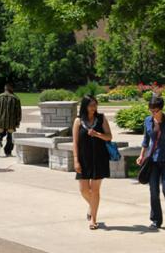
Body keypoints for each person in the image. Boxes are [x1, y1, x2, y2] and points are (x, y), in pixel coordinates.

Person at [136, 97, 165, 229]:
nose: (153, 113)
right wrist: (141, 156)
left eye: (155, 111)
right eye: (151, 110)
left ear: (161, 109)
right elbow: (145, 141)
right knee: (153, 191)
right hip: (152, 161)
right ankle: (156, 220)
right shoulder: (148, 121)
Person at [72, 96, 112, 230]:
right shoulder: (78, 121)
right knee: (83, 190)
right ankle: (92, 205)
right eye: (91, 105)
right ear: (85, 106)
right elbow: (75, 143)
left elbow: (109, 136)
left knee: (95, 190)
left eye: (95, 105)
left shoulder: (101, 118)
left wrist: (97, 134)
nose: (93, 108)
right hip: (83, 160)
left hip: (99, 158)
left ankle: (93, 219)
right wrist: (76, 160)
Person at [0, 84, 22, 157]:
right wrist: (18, 121)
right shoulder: (16, 98)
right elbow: (18, 112)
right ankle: (8, 152)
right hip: (11, 121)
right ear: (11, 88)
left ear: (5, 88)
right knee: (10, 137)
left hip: (0, 120)